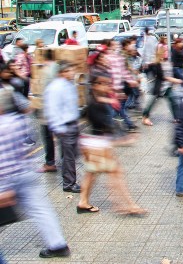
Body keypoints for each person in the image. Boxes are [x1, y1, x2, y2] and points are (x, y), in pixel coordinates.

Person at [0, 95, 71, 258]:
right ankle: (58, 244)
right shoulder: (19, 121)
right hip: (27, 172)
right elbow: (32, 142)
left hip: (6, 179)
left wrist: (4, 188)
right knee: (41, 209)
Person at [77, 72, 146, 215]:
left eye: (109, 83)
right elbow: (105, 126)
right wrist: (124, 140)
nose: (109, 86)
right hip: (97, 146)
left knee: (92, 174)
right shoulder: (95, 104)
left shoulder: (99, 100)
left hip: (92, 144)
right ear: (96, 85)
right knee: (115, 173)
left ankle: (83, 202)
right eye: (105, 83)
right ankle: (126, 205)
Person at [43, 61, 81, 193]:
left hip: (72, 124)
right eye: (69, 70)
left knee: (70, 155)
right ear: (62, 73)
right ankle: (69, 183)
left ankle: (69, 180)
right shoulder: (55, 88)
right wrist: (59, 128)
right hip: (65, 126)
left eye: (72, 70)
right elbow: (52, 110)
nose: (72, 73)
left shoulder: (69, 85)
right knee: (69, 156)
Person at [35, 49, 60, 173]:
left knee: (47, 136)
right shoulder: (59, 67)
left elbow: (44, 92)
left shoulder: (45, 70)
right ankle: (64, 160)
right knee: (60, 136)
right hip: (59, 110)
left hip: (49, 110)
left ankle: (50, 163)